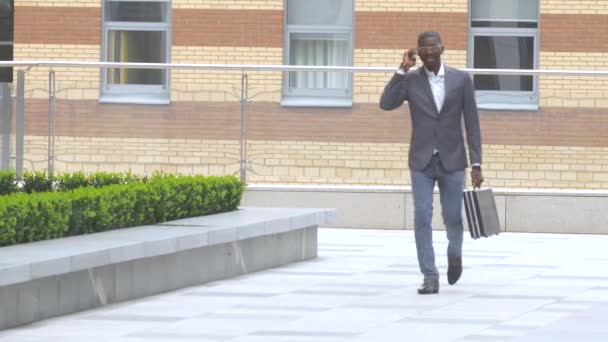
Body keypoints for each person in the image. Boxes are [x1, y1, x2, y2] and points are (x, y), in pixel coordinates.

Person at [380, 31, 484, 295]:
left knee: (452, 218)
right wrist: (402, 69)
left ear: (442, 48)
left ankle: (455, 253)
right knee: (422, 215)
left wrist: (476, 164)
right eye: (422, 48)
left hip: (453, 160)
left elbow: (472, 123)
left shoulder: (461, 79)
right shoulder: (411, 79)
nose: (427, 52)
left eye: (432, 47)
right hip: (422, 160)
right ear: (417, 51)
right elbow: (386, 103)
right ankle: (429, 275)